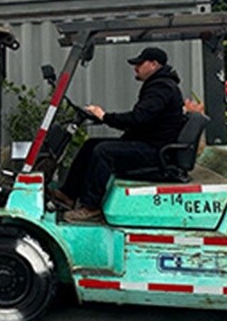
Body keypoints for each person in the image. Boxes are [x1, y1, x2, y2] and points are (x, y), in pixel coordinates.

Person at [56, 46, 188, 222]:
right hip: (149, 143)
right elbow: (142, 120)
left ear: (154, 64)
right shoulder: (159, 85)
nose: (135, 67)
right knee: (91, 145)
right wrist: (106, 118)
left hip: (155, 150)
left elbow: (138, 118)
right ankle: (68, 194)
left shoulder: (161, 88)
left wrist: (105, 117)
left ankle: (91, 207)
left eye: (140, 64)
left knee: (104, 151)